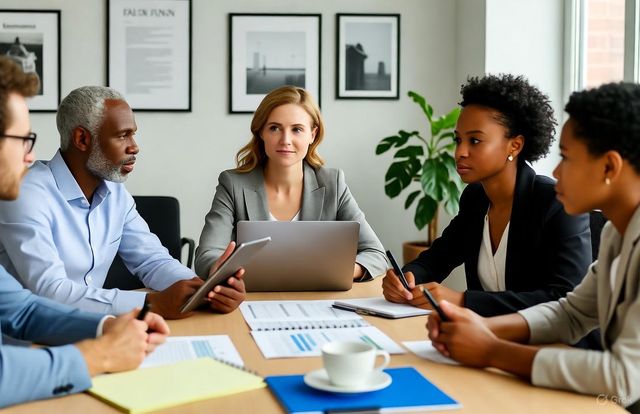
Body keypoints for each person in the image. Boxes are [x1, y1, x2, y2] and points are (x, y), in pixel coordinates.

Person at [0, 51, 169, 413]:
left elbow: (23, 310)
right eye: (24, 140)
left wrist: (107, 327)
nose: (30, 157)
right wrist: (100, 354)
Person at [426, 82, 640, 413]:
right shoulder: (617, 233)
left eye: (566, 158)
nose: (555, 171)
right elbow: (572, 312)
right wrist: (481, 327)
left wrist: (492, 350)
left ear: (609, 167)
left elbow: (625, 379)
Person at [0, 86, 245, 320]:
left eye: (133, 135)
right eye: (123, 136)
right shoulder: (25, 193)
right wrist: (149, 304)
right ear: (82, 140)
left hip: (95, 330)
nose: (135, 147)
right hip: (25, 340)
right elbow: (50, 291)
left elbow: (152, 261)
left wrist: (207, 290)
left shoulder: (115, 192)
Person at [383, 74, 592, 316]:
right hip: (485, 338)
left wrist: (462, 300)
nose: (460, 152)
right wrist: (406, 279)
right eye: (458, 140)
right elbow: (437, 258)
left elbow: (565, 298)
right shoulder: (476, 199)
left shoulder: (556, 203)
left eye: (475, 140)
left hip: (553, 347)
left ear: (515, 145)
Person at [195, 85, 388, 281]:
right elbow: (206, 256)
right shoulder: (232, 184)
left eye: (297, 129)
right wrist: (227, 274)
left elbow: (375, 254)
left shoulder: (333, 184)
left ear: (312, 134)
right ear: (261, 132)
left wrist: (339, 270)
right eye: (275, 128)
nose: (285, 140)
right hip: (250, 300)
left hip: (319, 302)